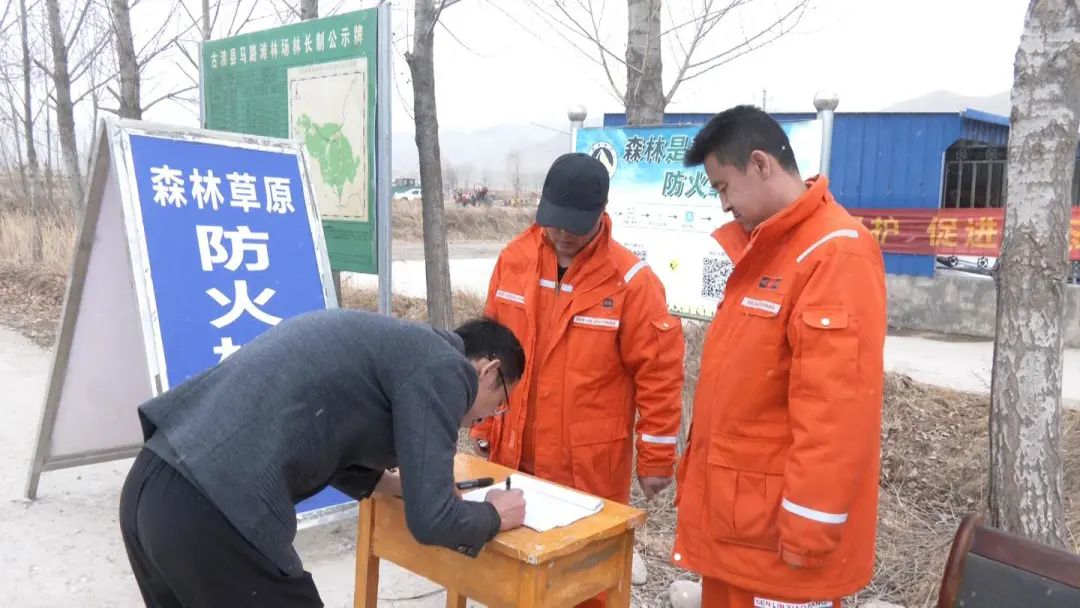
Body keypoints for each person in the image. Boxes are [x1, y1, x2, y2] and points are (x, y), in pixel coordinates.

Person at [118, 309, 527, 607]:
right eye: (499, 404)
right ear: (489, 372)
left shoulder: (399, 348)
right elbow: (432, 520)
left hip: (151, 491)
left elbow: (331, 437)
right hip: (214, 511)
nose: (488, 417)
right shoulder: (447, 369)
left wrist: (396, 485)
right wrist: (494, 515)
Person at [671, 106, 887, 607]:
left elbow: (837, 410)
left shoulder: (835, 254)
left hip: (783, 549)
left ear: (761, 163)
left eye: (723, 187)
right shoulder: (769, 248)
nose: (723, 204)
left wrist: (809, 529)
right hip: (740, 528)